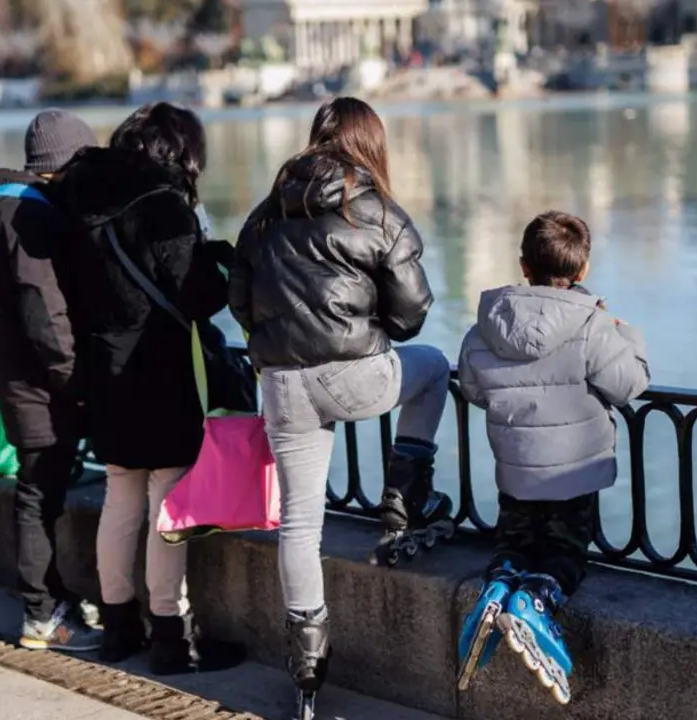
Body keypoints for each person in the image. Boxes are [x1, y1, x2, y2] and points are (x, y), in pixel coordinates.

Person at [228, 97, 451, 709]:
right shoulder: (377, 211)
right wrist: (370, 328)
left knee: (300, 524)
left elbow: (239, 299)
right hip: (354, 377)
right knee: (434, 367)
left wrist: (274, 341)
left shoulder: (265, 214)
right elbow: (412, 313)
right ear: (370, 144)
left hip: (281, 382)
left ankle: (306, 671)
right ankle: (406, 495)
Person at [47, 102, 243, 674]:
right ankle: (170, 636)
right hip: (159, 370)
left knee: (121, 495)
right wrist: (216, 257)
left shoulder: (79, 202)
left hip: (104, 370)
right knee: (167, 502)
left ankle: (117, 625)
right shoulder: (163, 207)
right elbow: (198, 295)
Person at [456, 211, 650, 705]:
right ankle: (535, 601)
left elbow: (473, 389)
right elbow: (630, 384)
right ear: (582, 270)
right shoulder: (592, 324)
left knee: (516, 543)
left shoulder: (486, 325)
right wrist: (627, 334)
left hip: (515, 467)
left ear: (524, 266)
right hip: (574, 473)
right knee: (564, 555)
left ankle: (499, 586)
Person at [0, 109, 99, 652]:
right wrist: (75, 379)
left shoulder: (2, 209)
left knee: (38, 490)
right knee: (39, 495)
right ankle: (41, 615)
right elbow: (46, 313)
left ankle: (48, 593)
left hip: (16, 375)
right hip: (39, 385)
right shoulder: (29, 220)